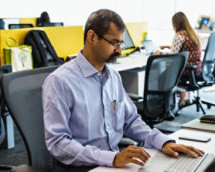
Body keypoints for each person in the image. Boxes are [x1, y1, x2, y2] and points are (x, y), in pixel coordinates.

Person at [42, 9, 204, 171]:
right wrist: (111, 158)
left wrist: (162, 142)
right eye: (114, 43)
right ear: (91, 37)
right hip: (82, 166)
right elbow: (57, 143)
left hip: (112, 162)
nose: (119, 51)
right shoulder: (60, 81)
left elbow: (130, 120)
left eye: (121, 43)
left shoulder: (112, 76)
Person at [159, 11, 203, 108]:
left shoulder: (179, 35)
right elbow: (187, 50)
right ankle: (183, 95)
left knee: (161, 73)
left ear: (175, 23)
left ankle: (166, 104)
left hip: (185, 69)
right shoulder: (193, 33)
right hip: (197, 67)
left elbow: (173, 55)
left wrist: (160, 53)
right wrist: (167, 46)